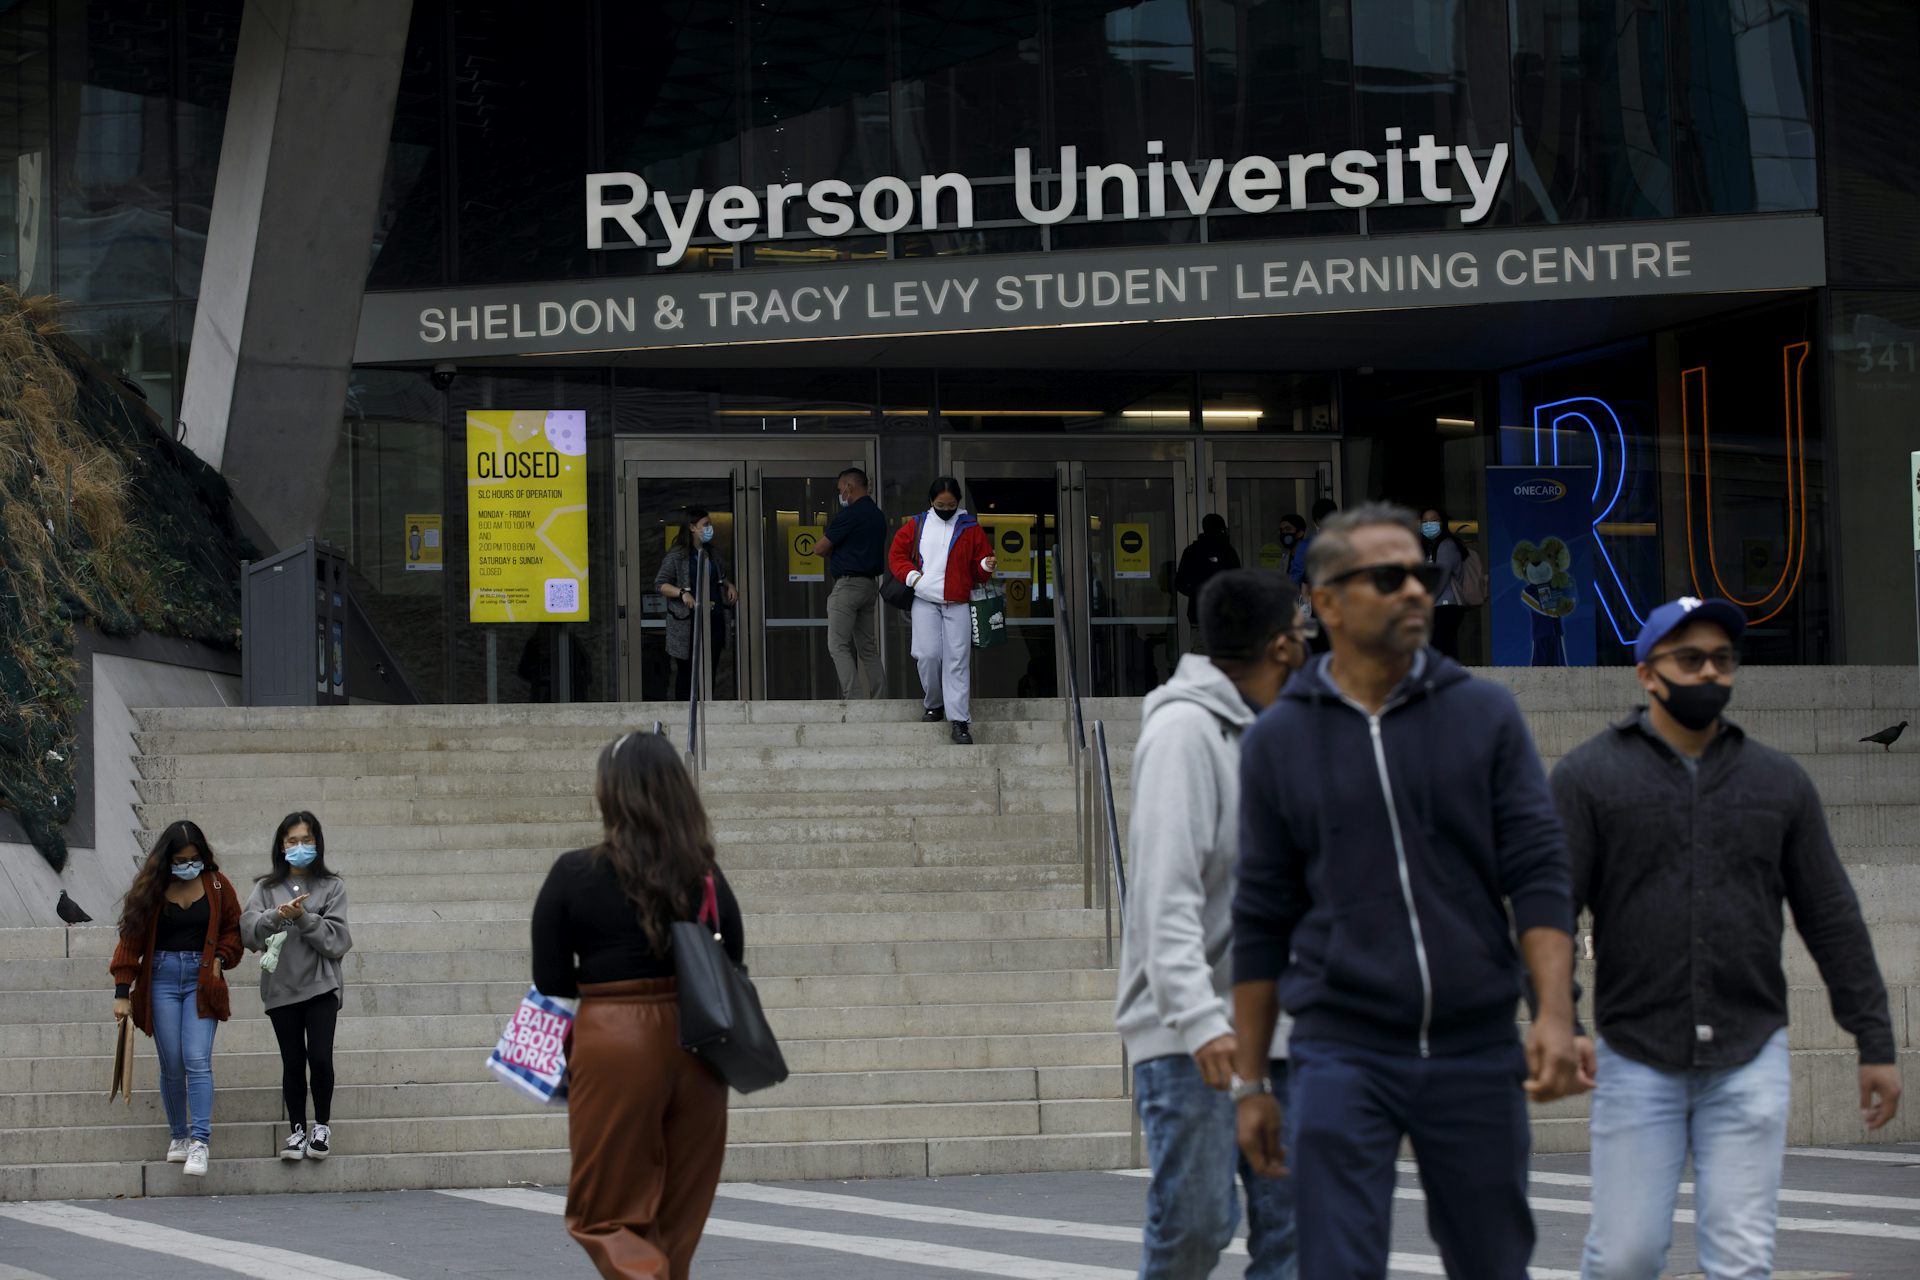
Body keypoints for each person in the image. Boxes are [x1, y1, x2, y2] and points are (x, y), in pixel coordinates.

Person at [1231, 502, 1585, 1280]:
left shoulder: (1485, 713)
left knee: (1493, 1263)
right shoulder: (1279, 740)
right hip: (1340, 1051)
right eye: (1388, 578)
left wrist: (1557, 1014)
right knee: (1337, 1267)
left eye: (1422, 575)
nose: (1418, 591)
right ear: (1324, 602)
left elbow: (1535, 870)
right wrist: (1254, 1081)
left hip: (1476, 1048)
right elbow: (1260, 916)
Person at [1551, 596, 1902, 1280]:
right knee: (1625, 1257)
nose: (1708, 673)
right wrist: (1559, 1014)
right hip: (1635, 1053)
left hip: (1750, 1054)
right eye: (1690, 660)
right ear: (1647, 674)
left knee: (1741, 1260)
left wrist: (1875, 1041)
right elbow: (1548, 908)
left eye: (1721, 660)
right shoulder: (1589, 778)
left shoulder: (1778, 782)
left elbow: (1832, 917)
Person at [1115, 569, 1309, 1280]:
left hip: (1286, 1032)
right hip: (1187, 1035)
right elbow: (1164, 896)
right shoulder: (1185, 734)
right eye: (1303, 634)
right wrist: (1201, 1022)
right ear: (1281, 645)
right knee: (1196, 1225)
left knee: (1295, 1237)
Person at [532, 731, 744, 1279]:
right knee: (678, 1224)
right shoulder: (705, 875)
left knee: (603, 1217)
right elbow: (735, 960)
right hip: (700, 1043)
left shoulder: (573, 874)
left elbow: (551, 978)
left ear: (612, 795)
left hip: (614, 1037)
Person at [109, 820, 243, 1179]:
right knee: (172, 1063)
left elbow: (234, 929)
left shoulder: (217, 885)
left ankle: (200, 1141)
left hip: (202, 979)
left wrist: (220, 958)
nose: (188, 865)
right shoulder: (151, 890)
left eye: (194, 858)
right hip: (161, 978)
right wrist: (123, 991)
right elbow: (130, 940)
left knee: (197, 1058)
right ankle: (178, 1136)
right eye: (181, 859)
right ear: (166, 859)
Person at [242, 811, 353, 1163]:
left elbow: (337, 941)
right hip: (281, 988)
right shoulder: (264, 888)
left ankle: (321, 1125)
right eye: (292, 841)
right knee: (292, 1061)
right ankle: (297, 1130)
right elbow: (249, 932)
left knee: (320, 1057)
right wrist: (278, 914)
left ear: (317, 843)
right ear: (281, 845)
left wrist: (303, 917)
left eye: (306, 840)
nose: (299, 847)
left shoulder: (332, 887)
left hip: (322, 986)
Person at [888, 477, 996, 745]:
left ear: (958, 502)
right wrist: (914, 579)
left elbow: (980, 569)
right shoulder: (917, 523)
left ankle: (959, 720)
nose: (945, 508)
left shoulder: (971, 527)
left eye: (950, 504)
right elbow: (896, 555)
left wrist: (986, 564)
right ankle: (934, 702)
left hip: (957, 600)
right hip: (924, 598)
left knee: (957, 660)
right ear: (931, 502)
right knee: (927, 655)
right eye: (940, 504)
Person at [812, 466, 887, 699]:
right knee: (867, 647)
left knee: (838, 644)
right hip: (869, 585)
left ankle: (854, 698)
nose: (840, 494)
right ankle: (880, 698)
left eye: (840, 489)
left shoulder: (850, 514)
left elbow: (819, 547)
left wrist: (834, 551)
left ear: (849, 487)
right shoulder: (877, 515)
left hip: (848, 585)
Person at [654, 507, 738, 700]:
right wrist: (682, 593)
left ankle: (706, 710)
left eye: (710, 524)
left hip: (713, 618)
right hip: (687, 622)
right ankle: (685, 712)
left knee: (709, 669)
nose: (710, 528)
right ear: (692, 527)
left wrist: (729, 585)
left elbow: (718, 575)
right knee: (687, 672)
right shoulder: (677, 556)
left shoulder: (711, 553)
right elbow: (660, 584)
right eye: (705, 525)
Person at [1173, 513, 1241, 633]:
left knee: (1200, 648)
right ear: (1222, 529)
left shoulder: (1191, 551)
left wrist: (1197, 592)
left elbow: (1180, 583)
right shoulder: (1228, 552)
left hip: (1199, 615)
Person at [1419, 507, 1468, 658]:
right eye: (1425, 521)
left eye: (1433, 521)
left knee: (1440, 649)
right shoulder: (1429, 548)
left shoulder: (1446, 545)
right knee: (1443, 650)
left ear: (1442, 523)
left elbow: (1440, 579)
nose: (1429, 525)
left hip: (1446, 606)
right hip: (1437, 606)